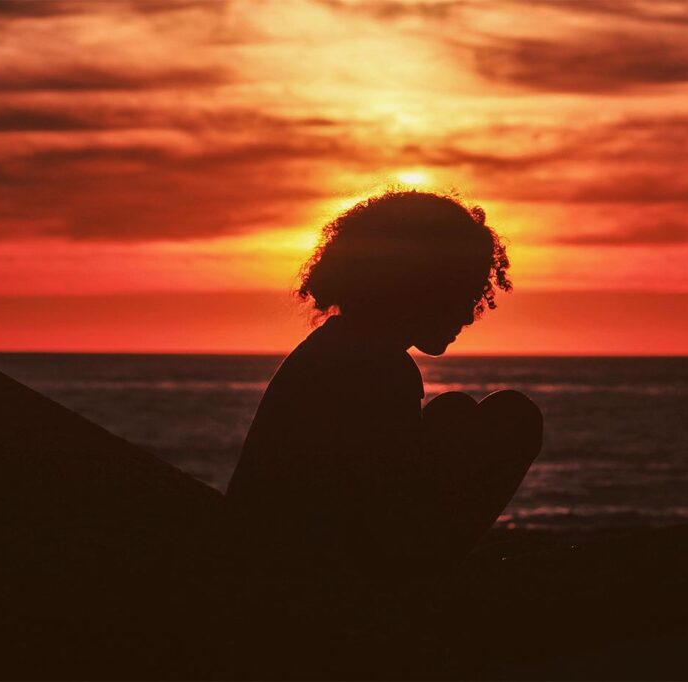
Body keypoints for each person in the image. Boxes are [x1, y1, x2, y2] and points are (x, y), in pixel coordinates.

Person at [223, 189, 542, 588]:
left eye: (477, 295)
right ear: (418, 286)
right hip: (301, 583)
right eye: (463, 291)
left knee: (455, 413)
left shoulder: (338, 349)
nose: (470, 313)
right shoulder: (376, 367)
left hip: (276, 566)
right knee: (514, 418)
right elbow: (380, 512)